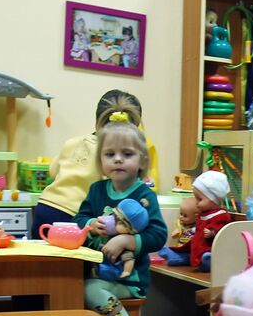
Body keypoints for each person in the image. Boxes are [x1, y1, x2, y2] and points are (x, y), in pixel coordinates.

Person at [75, 119, 167, 316]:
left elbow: (159, 235)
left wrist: (128, 239)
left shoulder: (144, 196)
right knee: (70, 287)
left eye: (127, 154)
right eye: (110, 154)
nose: (118, 159)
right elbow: (79, 219)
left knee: (90, 290)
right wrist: (90, 223)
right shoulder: (96, 190)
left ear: (141, 161)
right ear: (101, 161)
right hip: (96, 268)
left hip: (129, 278)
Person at [33, 90, 160, 235]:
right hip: (75, 217)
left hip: (45, 206)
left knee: (40, 256)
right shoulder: (109, 157)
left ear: (97, 122)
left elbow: (53, 171)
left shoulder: (73, 142)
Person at [89, 197, 150, 282]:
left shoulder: (124, 244)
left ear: (130, 231)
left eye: (122, 223)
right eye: (115, 217)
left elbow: (129, 258)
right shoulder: (106, 233)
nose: (115, 222)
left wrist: (126, 271)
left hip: (111, 269)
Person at [189, 170, 231, 271]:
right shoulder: (202, 214)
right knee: (189, 250)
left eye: (200, 199)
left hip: (208, 248)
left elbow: (222, 230)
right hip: (197, 247)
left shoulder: (221, 215)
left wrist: (213, 232)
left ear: (213, 199)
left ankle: (208, 261)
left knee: (205, 255)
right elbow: (200, 226)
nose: (196, 203)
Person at [158, 195, 198, 266]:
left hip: (191, 251)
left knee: (186, 257)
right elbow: (177, 231)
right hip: (180, 247)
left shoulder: (198, 226)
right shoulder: (181, 225)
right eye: (181, 214)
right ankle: (171, 254)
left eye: (185, 216)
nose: (181, 217)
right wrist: (176, 232)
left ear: (196, 217)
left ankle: (174, 258)